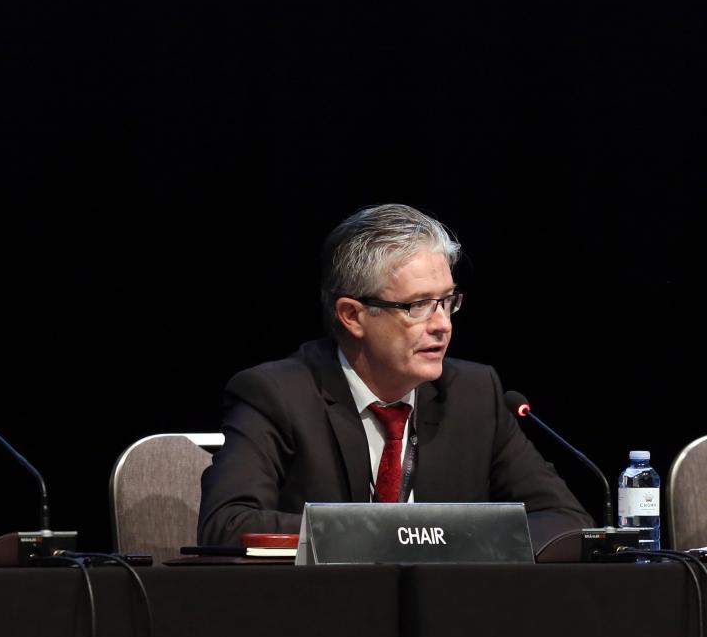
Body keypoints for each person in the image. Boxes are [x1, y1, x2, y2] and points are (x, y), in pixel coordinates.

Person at [198, 203, 591, 557]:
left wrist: (445, 537)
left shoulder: (475, 394)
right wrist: (393, 534)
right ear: (352, 316)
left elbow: (567, 521)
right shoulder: (277, 395)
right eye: (418, 306)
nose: (442, 325)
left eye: (448, 301)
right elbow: (227, 525)